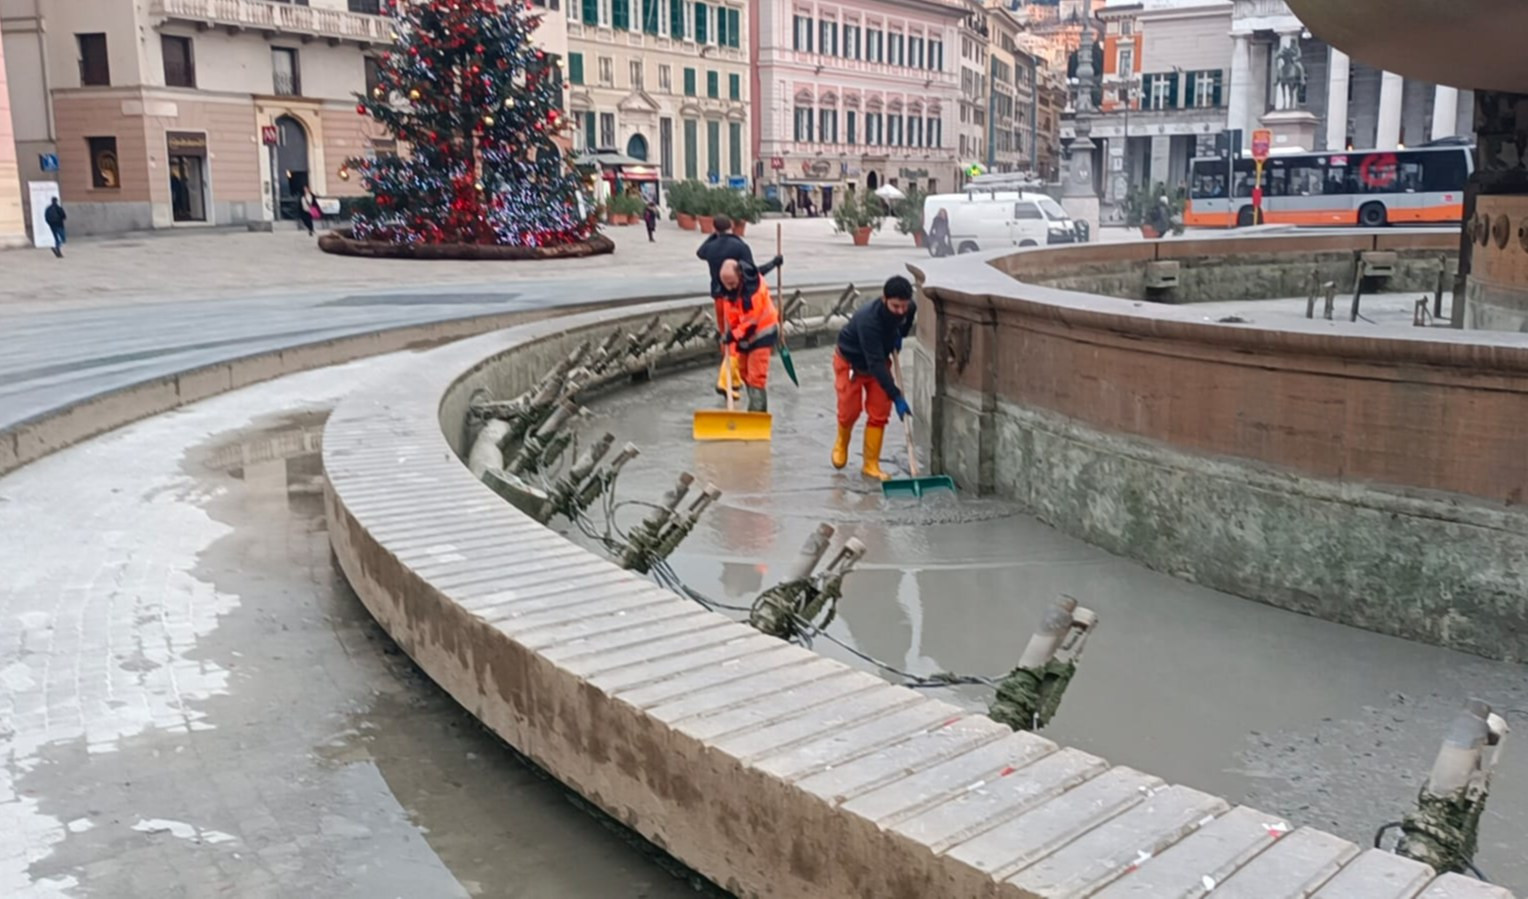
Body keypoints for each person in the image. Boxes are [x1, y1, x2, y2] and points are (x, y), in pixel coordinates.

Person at [833, 275, 917, 481]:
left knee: (880, 411)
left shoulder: (910, 308)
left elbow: (905, 324)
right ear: (884, 299)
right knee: (849, 411)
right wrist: (896, 395)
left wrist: (899, 336)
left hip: (878, 359)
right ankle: (841, 443)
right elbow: (876, 364)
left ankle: (871, 464)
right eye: (895, 306)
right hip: (852, 361)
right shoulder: (868, 321)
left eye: (903, 307)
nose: (900, 311)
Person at [696, 215, 757, 401]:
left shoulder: (711, 247)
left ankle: (730, 378)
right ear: (731, 226)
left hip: (718, 296)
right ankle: (729, 379)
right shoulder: (740, 246)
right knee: (738, 336)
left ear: (715, 229)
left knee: (725, 336)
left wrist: (714, 236)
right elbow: (751, 270)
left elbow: (700, 252)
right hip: (735, 298)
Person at [717, 257, 783, 412]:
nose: (730, 288)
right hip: (744, 335)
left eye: (732, 284)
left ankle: (757, 413)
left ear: (740, 276)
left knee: (756, 376)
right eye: (727, 284)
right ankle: (753, 406)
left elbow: (750, 322)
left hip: (762, 332)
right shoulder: (729, 288)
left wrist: (732, 335)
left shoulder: (753, 292)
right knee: (744, 372)